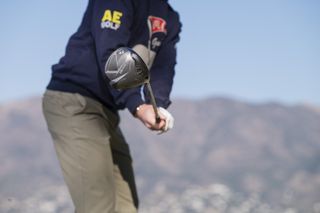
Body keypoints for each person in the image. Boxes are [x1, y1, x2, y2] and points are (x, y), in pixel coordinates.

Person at [42, 0, 181, 212]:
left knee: (126, 208)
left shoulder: (168, 16)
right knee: (97, 207)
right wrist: (136, 104)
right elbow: (111, 51)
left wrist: (157, 105)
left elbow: (163, 67)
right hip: (74, 102)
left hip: (106, 111)